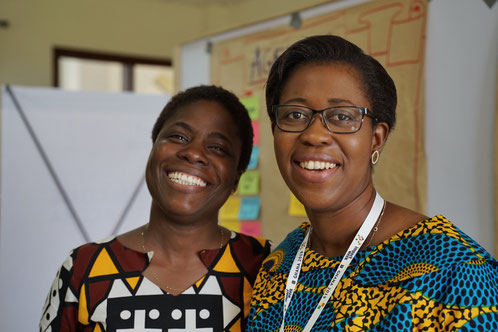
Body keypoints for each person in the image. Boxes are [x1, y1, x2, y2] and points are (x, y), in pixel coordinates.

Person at [247, 35, 498, 331]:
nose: (314, 135)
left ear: (376, 138)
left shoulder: (454, 270)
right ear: (276, 132)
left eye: (341, 116)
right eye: (295, 114)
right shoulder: (280, 264)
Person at [40, 85, 271, 332]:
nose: (193, 154)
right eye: (179, 137)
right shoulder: (83, 268)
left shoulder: (268, 265)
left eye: (217, 148)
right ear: (153, 150)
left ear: (236, 179)